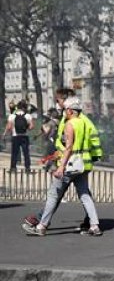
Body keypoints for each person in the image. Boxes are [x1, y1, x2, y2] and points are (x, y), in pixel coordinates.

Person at [21, 97, 101, 237]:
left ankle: (41, 226)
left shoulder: (70, 124)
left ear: (70, 111)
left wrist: (60, 167)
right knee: (84, 195)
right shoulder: (84, 122)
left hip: (70, 164)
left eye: (65, 110)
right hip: (82, 164)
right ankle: (95, 226)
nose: (63, 112)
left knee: (53, 194)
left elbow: (69, 147)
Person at [5, 100, 33, 172]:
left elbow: (9, 127)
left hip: (15, 136)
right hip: (25, 136)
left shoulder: (12, 116)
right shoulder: (28, 116)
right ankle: (27, 168)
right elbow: (31, 127)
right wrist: (25, 127)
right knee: (26, 153)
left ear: (17, 107)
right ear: (25, 107)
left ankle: (13, 168)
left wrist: (9, 132)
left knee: (14, 153)